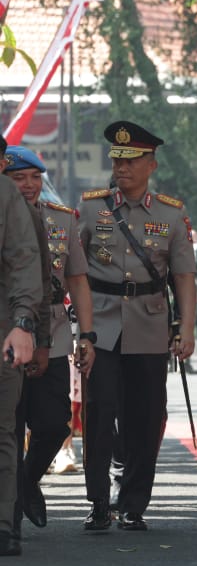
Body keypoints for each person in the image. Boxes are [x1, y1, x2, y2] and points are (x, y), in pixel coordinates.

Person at [78, 121, 197, 531]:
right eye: (116, 159)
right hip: (103, 325)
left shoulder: (171, 212)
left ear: (151, 165)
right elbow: (75, 271)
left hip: (149, 326)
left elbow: (183, 275)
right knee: (98, 410)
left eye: (131, 160)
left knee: (146, 416)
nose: (121, 167)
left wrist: (187, 327)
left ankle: (132, 503)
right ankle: (97, 502)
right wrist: (80, 328)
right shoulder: (92, 208)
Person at [4, 147, 95, 535]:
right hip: (7, 333)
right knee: (9, 426)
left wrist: (86, 334)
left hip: (52, 333)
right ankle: (9, 517)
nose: (28, 184)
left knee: (55, 424)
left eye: (35, 177)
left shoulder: (61, 220)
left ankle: (24, 483)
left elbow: (77, 279)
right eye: (19, 177)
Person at [0, 135, 44, 556]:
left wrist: (23, 324)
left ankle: (3, 527)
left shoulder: (7, 199)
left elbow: (26, 266)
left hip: (4, 333)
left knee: (2, 430)